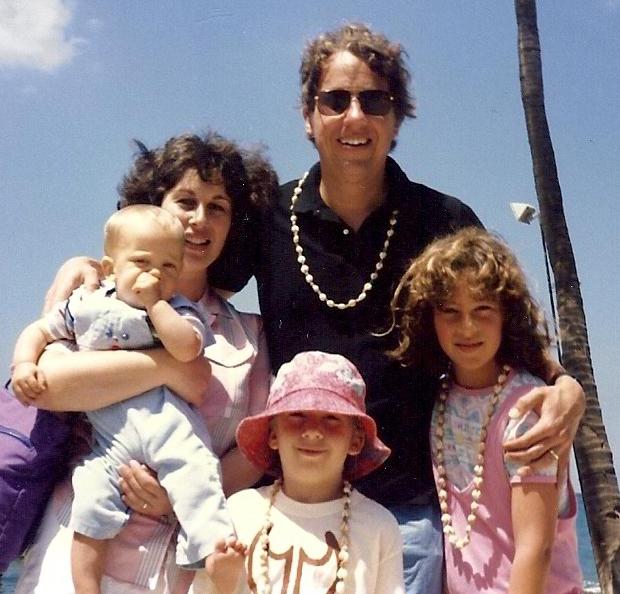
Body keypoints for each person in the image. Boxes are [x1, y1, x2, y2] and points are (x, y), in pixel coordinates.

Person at [43, 24, 585, 594]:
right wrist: (93, 265)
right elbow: (183, 266)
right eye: (335, 100)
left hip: (406, 514)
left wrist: (564, 385)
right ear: (308, 115)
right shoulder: (267, 217)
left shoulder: (442, 220)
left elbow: (506, 330)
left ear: (396, 118)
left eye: (374, 100)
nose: (355, 116)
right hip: (287, 512)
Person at [13, 132, 275, 594]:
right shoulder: (93, 297)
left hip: (175, 571)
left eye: (218, 207)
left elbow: (252, 453)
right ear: (154, 206)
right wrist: (169, 368)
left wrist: (175, 497)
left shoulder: (248, 335)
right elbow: (50, 384)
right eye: (186, 201)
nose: (200, 219)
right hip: (73, 555)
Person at [389, 227, 583, 593]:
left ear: (507, 314)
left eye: (483, 310)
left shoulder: (526, 408)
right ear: (429, 317)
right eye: (450, 311)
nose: (467, 327)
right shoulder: (441, 398)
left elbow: (536, 547)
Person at [192, 350, 404, 594]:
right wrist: (223, 582)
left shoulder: (379, 527)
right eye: (297, 415)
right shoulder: (238, 512)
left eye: (331, 418)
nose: (312, 431)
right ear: (272, 434)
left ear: (356, 441)